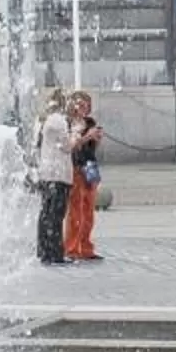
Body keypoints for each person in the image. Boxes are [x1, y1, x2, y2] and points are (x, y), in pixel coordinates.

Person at [32, 90, 73, 265]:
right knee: (56, 215)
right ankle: (55, 252)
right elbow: (66, 146)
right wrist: (79, 135)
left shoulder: (41, 120)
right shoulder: (59, 120)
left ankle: (43, 249)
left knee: (45, 213)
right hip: (58, 173)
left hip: (45, 172)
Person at [63, 91, 103, 262]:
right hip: (75, 166)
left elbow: (92, 147)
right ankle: (71, 248)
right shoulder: (68, 124)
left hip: (90, 165)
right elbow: (72, 146)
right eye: (80, 104)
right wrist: (88, 136)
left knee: (89, 210)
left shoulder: (90, 122)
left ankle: (86, 246)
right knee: (75, 211)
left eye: (87, 104)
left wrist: (97, 138)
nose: (84, 108)